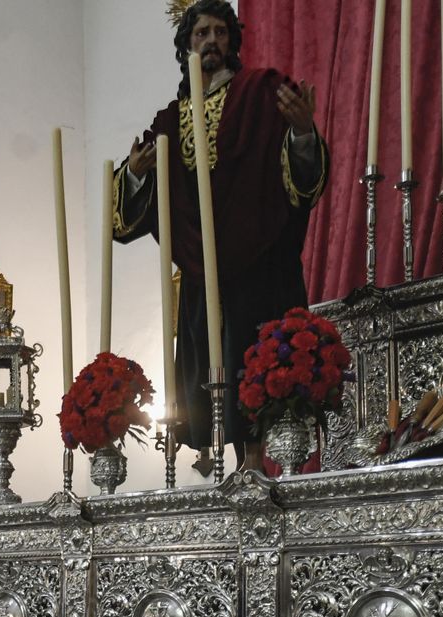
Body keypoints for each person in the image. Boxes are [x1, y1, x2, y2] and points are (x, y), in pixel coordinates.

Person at [114, 0, 329, 473]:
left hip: (258, 260)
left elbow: (303, 181)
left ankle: (254, 463)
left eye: (219, 32)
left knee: (254, 364)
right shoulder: (170, 121)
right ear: (186, 45)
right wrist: (133, 173)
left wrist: (300, 133)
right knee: (211, 375)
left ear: (232, 41)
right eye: (201, 34)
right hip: (200, 267)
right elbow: (133, 205)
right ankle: (220, 460)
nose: (211, 41)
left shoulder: (262, 91)